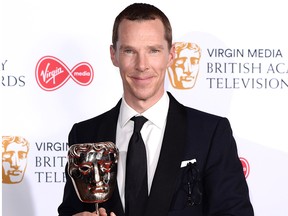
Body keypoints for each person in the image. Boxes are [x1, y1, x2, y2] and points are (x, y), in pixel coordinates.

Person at [58, 3, 254, 216]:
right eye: (129, 51)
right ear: (114, 55)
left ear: (170, 55)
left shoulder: (211, 133)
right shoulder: (84, 134)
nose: (142, 65)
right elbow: (71, 210)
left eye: (153, 51)